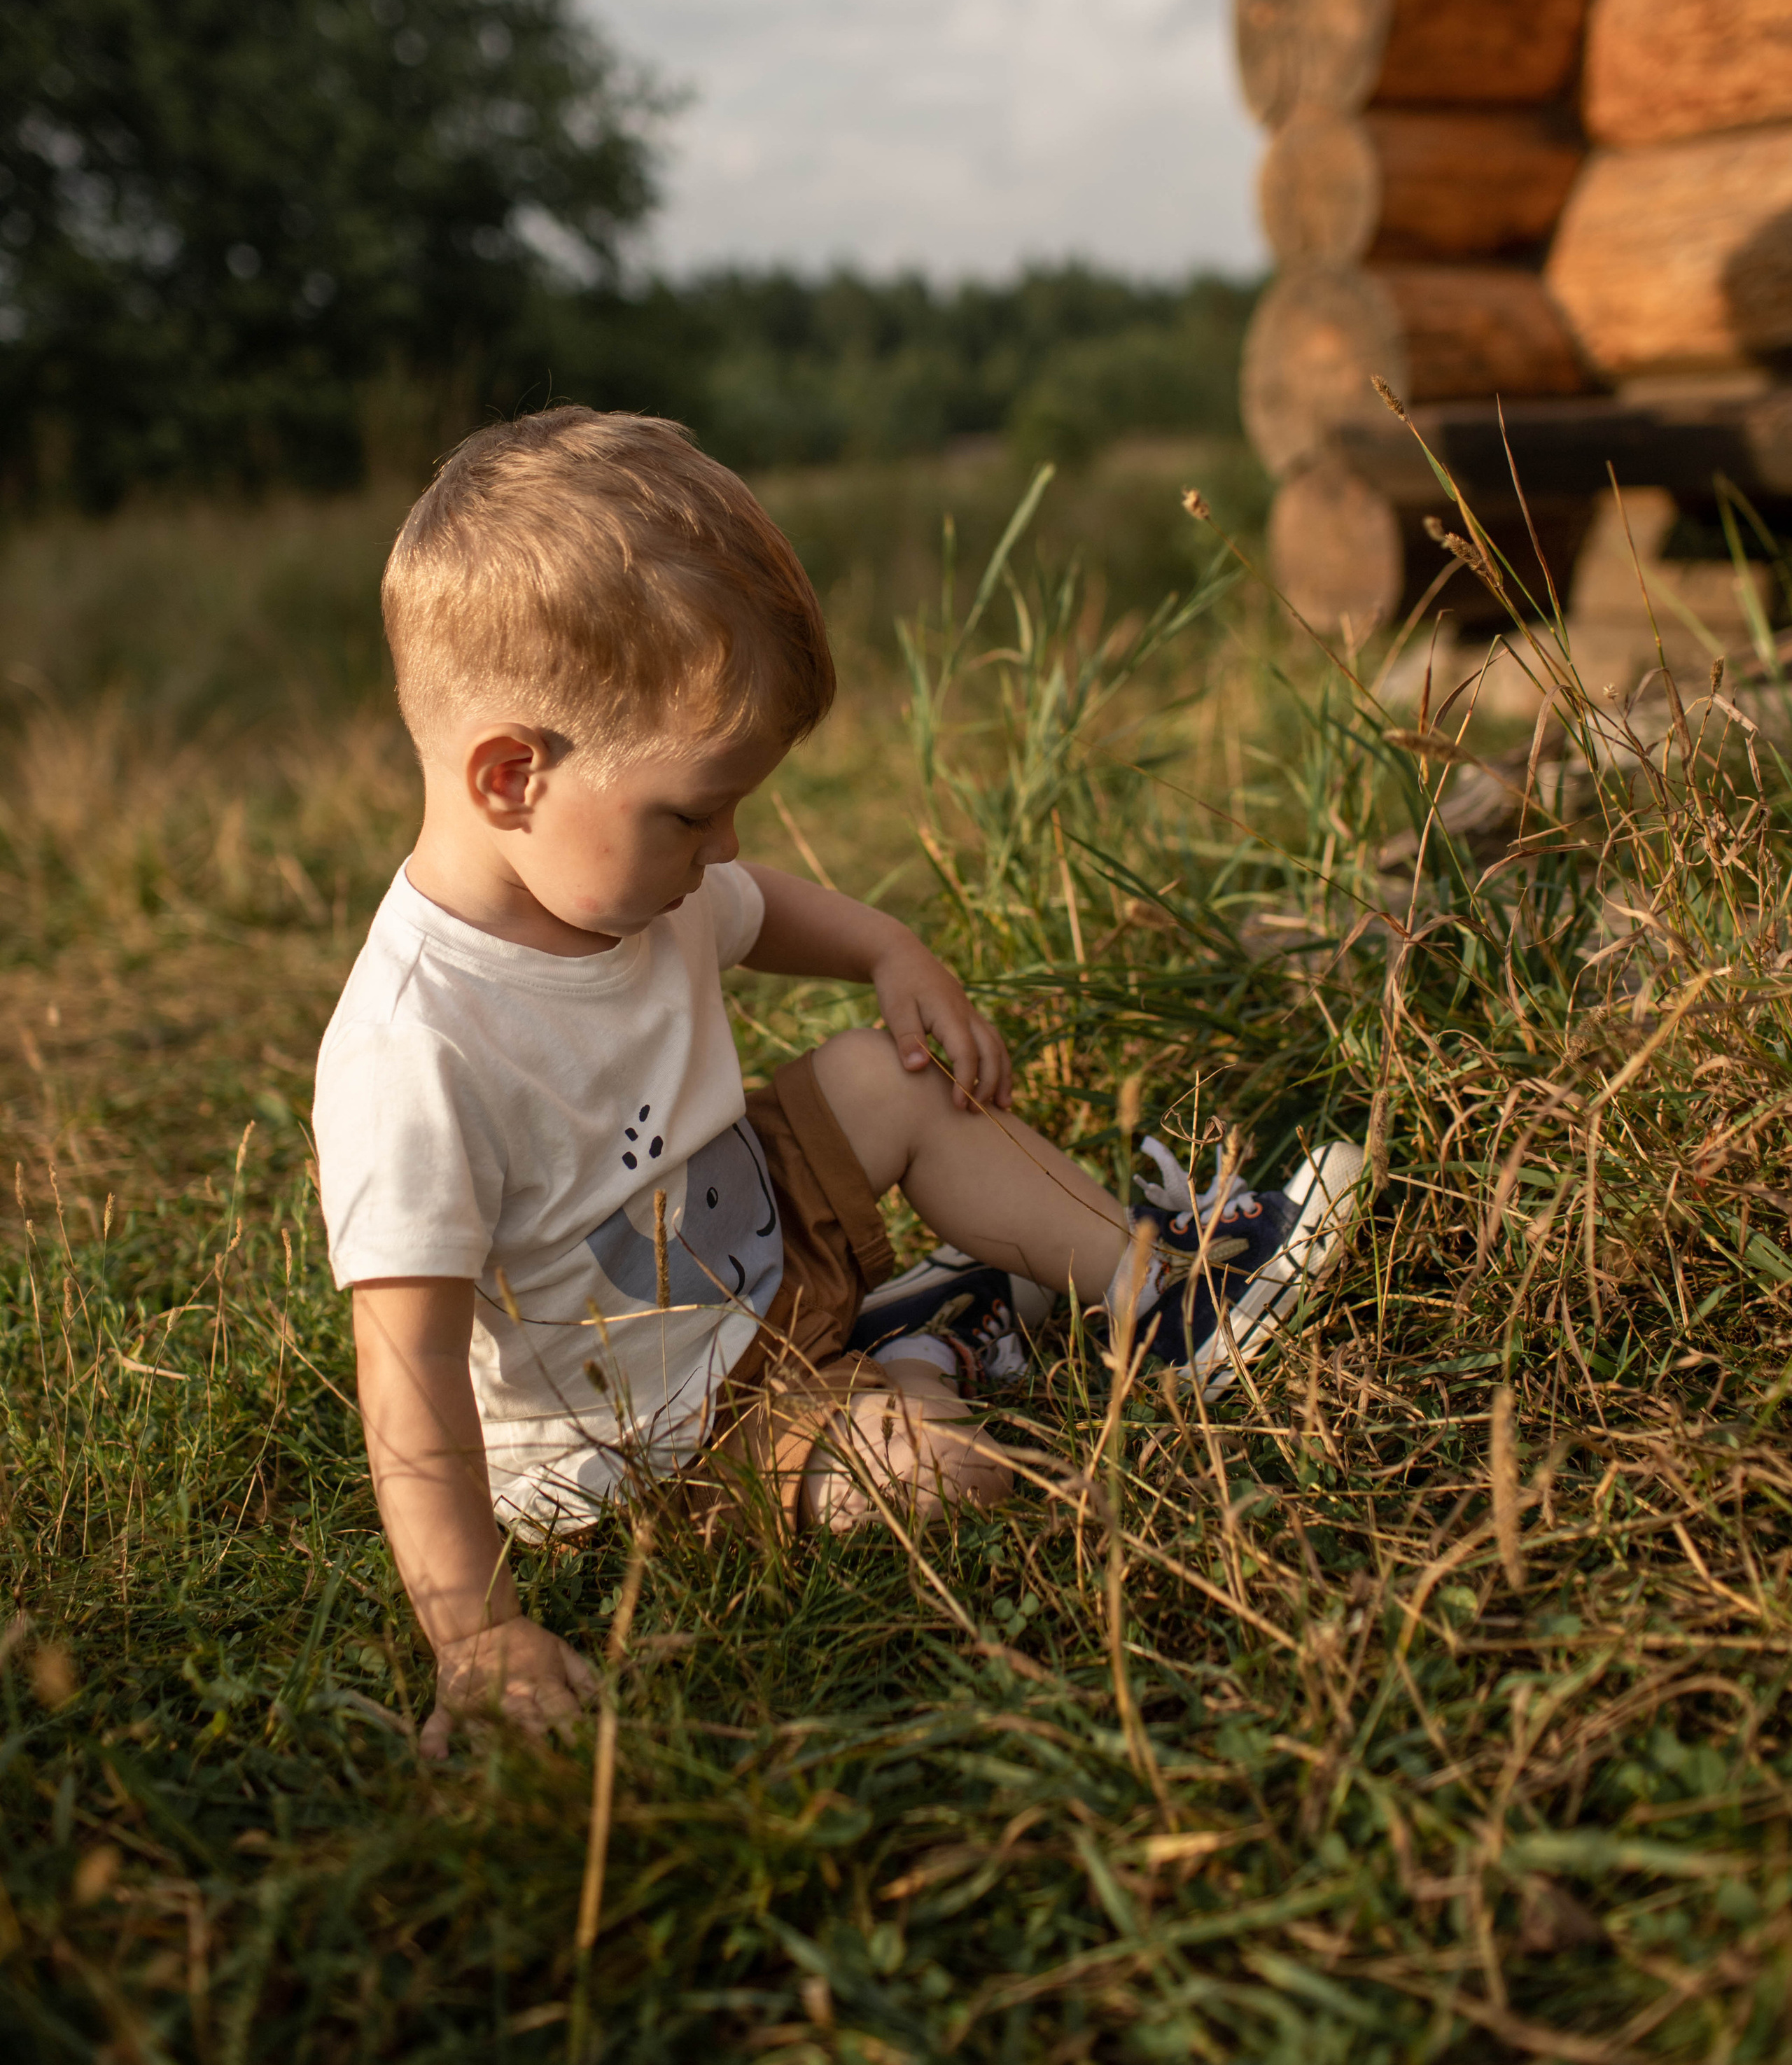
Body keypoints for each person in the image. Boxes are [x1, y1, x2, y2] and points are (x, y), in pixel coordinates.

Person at [314, 408, 1359, 1757]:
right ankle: (929, 1349)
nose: (726, 842)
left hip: (743, 1238)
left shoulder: (635, 880)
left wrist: (887, 948)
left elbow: (760, 905)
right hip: (650, 1436)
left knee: (892, 1080)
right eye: (695, 811)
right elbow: (408, 1388)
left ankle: (1165, 1300)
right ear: (512, 776)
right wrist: (478, 1632)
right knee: (937, 1482)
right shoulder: (419, 1049)